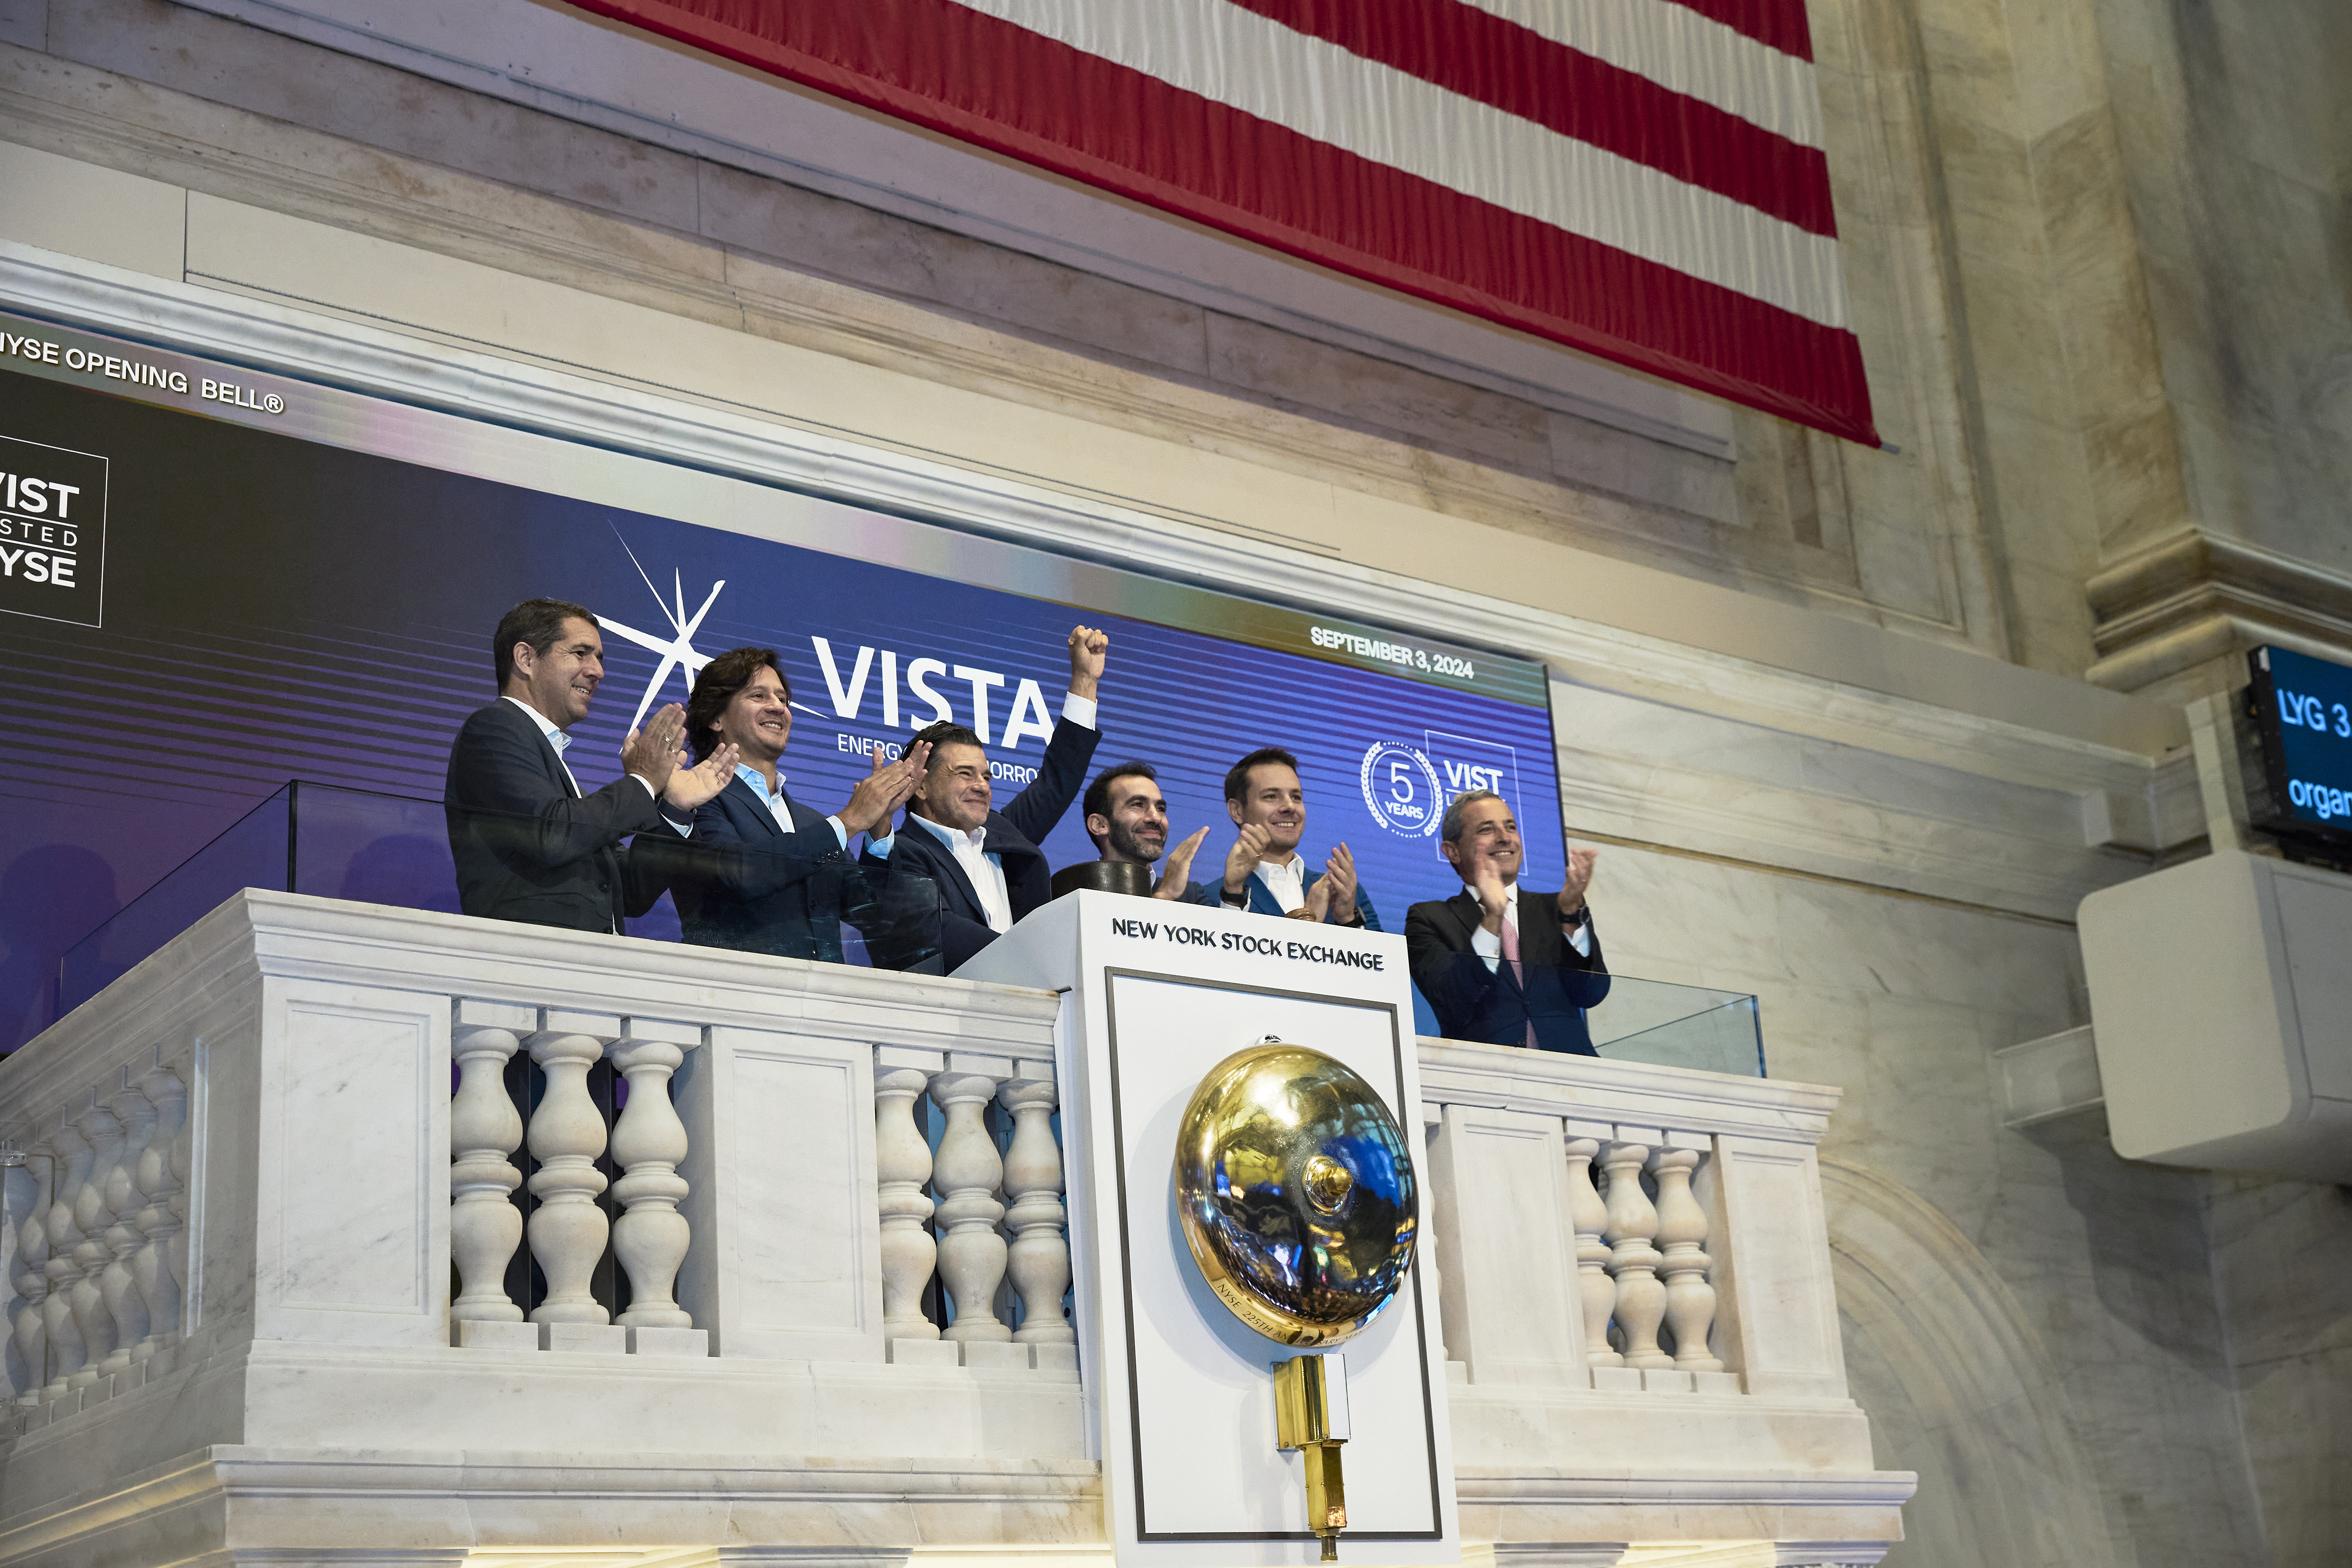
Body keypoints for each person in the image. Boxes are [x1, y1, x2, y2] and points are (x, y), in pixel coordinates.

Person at [444, 597, 737, 932]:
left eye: (598, 658)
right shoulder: (493, 728)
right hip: (530, 962)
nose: (598, 671)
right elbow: (551, 835)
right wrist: (643, 782)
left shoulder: (563, 780)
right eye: (580, 653)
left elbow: (630, 892)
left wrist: (673, 809)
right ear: (526, 659)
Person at [660, 645, 934, 963]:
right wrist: (849, 821)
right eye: (759, 696)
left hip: (824, 1001)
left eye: (782, 699)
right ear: (716, 718)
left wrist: (879, 825)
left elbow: (874, 917)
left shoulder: (808, 821)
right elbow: (739, 876)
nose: (778, 707)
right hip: (735, 995)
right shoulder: (693, 802)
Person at [865, 625, 1107, 968]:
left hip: (1031, 1007)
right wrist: (1036, 960)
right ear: (920, 785)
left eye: (986, 775)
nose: (981, 785)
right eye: (964, 773)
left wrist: (1085, 680)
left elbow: (1058, 781)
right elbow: (938, 929)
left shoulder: (1002, 834)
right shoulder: (902, 854)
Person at [1404, 789, 1608, 1054]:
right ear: (1453, 851)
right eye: (1487, 830)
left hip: (1570, 1079)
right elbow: (1451, 999)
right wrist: (1493, 917)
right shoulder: (1428, 919)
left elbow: (1591, 993)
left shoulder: (1558, 908)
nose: (1504, 838)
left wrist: (1570, 916)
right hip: (1485, 1079)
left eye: (1511, 827)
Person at [1192, 747, 1378, 927]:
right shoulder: (1210, 897)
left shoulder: (1344, 891)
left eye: (1296, 797)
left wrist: (1347, 919)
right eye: (1271, 796)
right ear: (1237, 811)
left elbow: (1381, 958)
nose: (1290, 806)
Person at [1080, 762, 1210, 900]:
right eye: (1137, 805)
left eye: (1160, 809)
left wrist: (1231, 893)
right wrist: (1164, 897)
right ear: (1099, 825)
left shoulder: (1191, 896)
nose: (1156, 818)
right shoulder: (1070, 894)